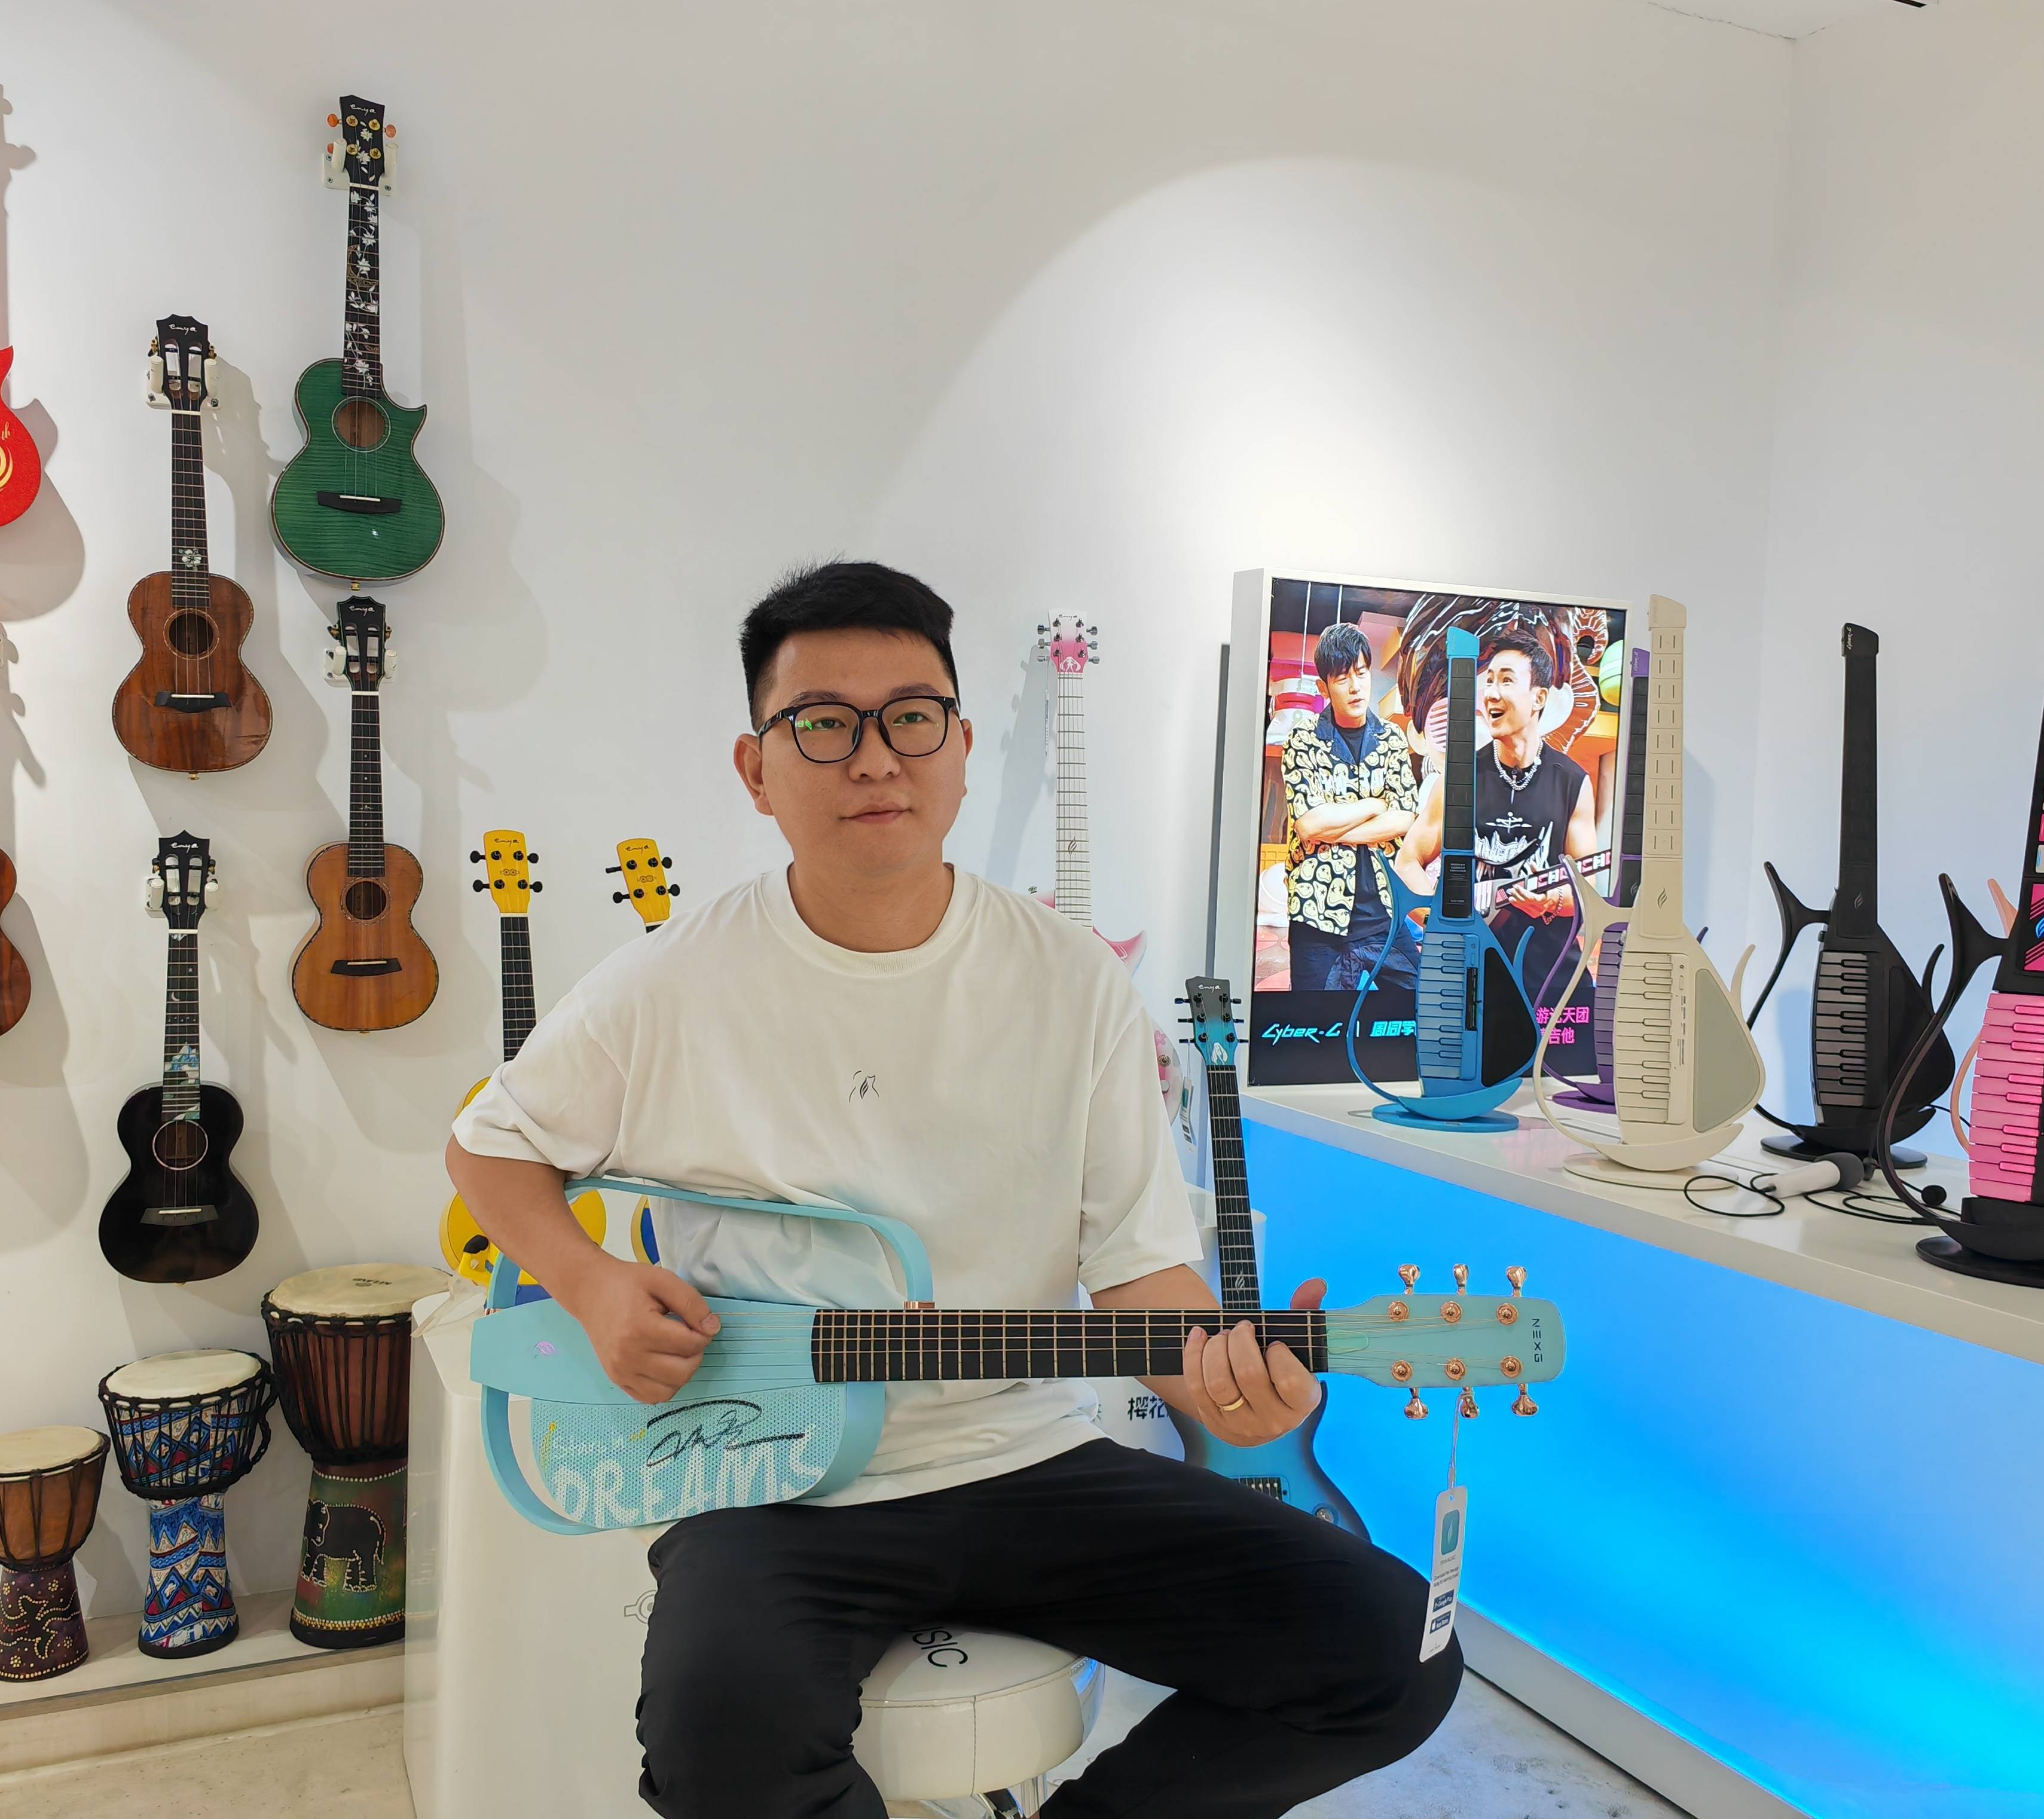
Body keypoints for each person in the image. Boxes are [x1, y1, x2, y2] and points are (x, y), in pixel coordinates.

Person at [445, 563, 1462, 1818]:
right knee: (719, 1744)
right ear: (755, 769)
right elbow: (488, 1147)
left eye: (911, 717)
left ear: (962, 748)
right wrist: (592, 1283)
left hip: (1025, 1455)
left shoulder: (1072, 981)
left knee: (1396, 1651)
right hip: (770, 1482)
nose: (875, 757)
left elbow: (1138, 1269)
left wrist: (1225, 1389)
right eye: (823, 721)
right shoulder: (668, 982)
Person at [1394, 630, 1599, 989]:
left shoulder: (1573, 782)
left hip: (1550, 978)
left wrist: (1550, 901)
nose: (1491, 693)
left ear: (1538, 698)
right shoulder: (1459, 777)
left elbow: (1586, 891)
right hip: (1471, 974)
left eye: (1506, 680)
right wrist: (1440, 921)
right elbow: (1407, 860)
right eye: (1488, 681)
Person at [1277, 622, 1420, 992]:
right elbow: (1309, 825)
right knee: (1315, 1022)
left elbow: (1405, 817)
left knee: (1422, 1003)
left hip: (1385, 913)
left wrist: (1334, 828)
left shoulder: (1390, 738)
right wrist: (1374, 804)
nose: (1356, 686)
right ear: (1324, 688)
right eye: (1343, 678)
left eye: (1362, 673)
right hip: (1317, 917)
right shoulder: (1304, 739)